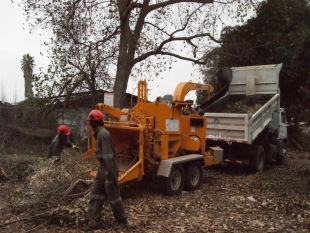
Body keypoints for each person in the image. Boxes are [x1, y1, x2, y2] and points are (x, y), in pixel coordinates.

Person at [82, 109, 128, 231]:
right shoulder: (99, 133)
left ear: (95, 123)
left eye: (90, 122)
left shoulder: (103, 135)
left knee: (114, 198)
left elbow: (108, 157)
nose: (89, 124)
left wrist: (108, 177)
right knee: (95, 195)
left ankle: (122, 222)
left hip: (108, 171)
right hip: (102, 170)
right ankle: (93, 222)